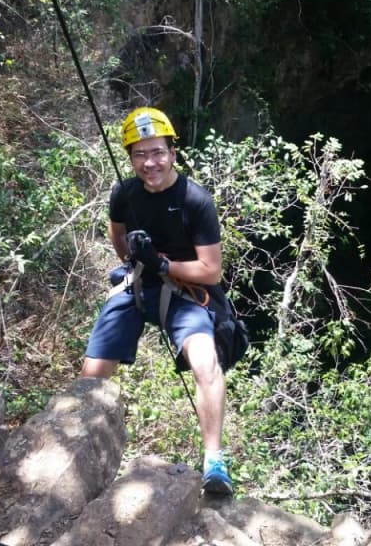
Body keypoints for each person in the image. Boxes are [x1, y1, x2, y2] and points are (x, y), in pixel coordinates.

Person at [81, 106, 233, 495]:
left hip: (185, 292)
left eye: (157, 152)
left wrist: (162, 262)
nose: (150, 163)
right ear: (130, 157)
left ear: (173, 153)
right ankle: (82, 450)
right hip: (138, 284)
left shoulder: (194, 200)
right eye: (140, 154)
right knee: (92, 371)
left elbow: (211, 270)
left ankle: (215, 461)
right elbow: (118, 236)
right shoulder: (124, 192)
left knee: (205, 360)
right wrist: (134, 256)